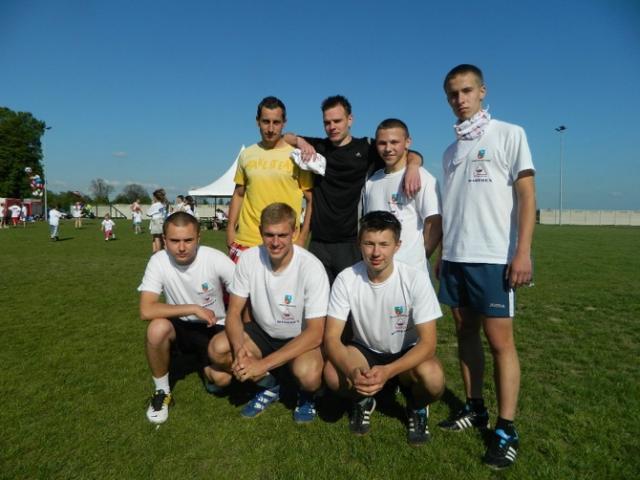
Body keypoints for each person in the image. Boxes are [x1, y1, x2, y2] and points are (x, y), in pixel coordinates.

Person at [436, 64, 536, 470]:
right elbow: (452, 208)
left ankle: (506, 428)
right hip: (455, 258)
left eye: (466, 91)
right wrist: (442, 254)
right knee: (464, 334)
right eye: (453, 94)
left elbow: (527, 197)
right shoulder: (450, 151)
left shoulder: (510, 134)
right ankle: (475, 407)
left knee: (500, 343)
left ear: (482, 92)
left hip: (494, 258)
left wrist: (523, 252)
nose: (460, 99)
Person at [323, 211, 444, 444]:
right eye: (369, 243)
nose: (376, 252)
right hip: (365, 351)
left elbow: (428, 344)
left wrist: (389, 371)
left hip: (407, 351)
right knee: (332, 374)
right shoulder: (347, 278)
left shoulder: (415, 279)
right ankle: (362, 399)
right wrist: (352, 371)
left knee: (434, 379)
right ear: (359, 243)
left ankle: (416, 406)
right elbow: (331, 338)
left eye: (384, 244)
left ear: (397, 246)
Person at [209, 203, 329, 422]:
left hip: (298, 336)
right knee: (218, 349)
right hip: (262, 332)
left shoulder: (311, 267)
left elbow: (315, 333)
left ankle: (306, 395)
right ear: (260, 231)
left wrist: (262, 364)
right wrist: (239, 350)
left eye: (282, 235)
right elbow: (233, 312)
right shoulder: (248, 258)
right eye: (269, 235)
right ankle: (270, 386)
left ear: (294, 232)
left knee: (309, 376)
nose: (275, 242)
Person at [284, 95, 422, 283]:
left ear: (350, 120)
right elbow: (285, 137)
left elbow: (408, 153)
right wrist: (300, 141)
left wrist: (413, 166)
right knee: (316, 297)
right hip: (318, 242)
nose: (332, 127)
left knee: (350, 298)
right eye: (327, 122)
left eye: (337, 121)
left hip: (351, 243)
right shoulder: (319, 146)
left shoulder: (367, 148)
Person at [138, 211, 235, 424]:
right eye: (174, 241)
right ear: (165, 240)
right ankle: (162, 392)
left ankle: (205, 365)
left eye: (188, 240)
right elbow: (146, 310)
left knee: (222, 380)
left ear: (198, 238)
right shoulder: (158, 261)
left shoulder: (215, 258)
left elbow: (243, 294)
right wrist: (193, 308)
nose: (181, 247)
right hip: (180, 326)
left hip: (213, 326)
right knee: (156, 329)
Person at [226, 96, 314, 264]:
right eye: (266, 122)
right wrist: (230, 230)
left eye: (276, 122)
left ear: (284, 123)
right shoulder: (246, 155)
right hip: (246, 241)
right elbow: (239, 194)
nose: (271, 128)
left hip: (283, 242)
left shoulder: (297, 157)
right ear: (257, 121)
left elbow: (311, 200)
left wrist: (302, 238)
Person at [363, 118, 442, 274]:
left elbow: (434, 223)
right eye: (382, 143)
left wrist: (419, 256)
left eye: (394, 142)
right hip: (376, 271)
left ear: (407, 142)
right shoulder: (372, 181)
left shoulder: (423, 177)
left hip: (411, 270)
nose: (388, 148)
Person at [148, 189, 168, 253]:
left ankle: (158, 253)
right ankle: (165, 250)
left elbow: (148, 213)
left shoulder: (154, 205)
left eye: (153, 197)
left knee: (156, 237)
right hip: (162, 220)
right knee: (162, 237)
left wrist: (152, 204)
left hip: (156, 221)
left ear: (155, 197)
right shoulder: (162, 205)